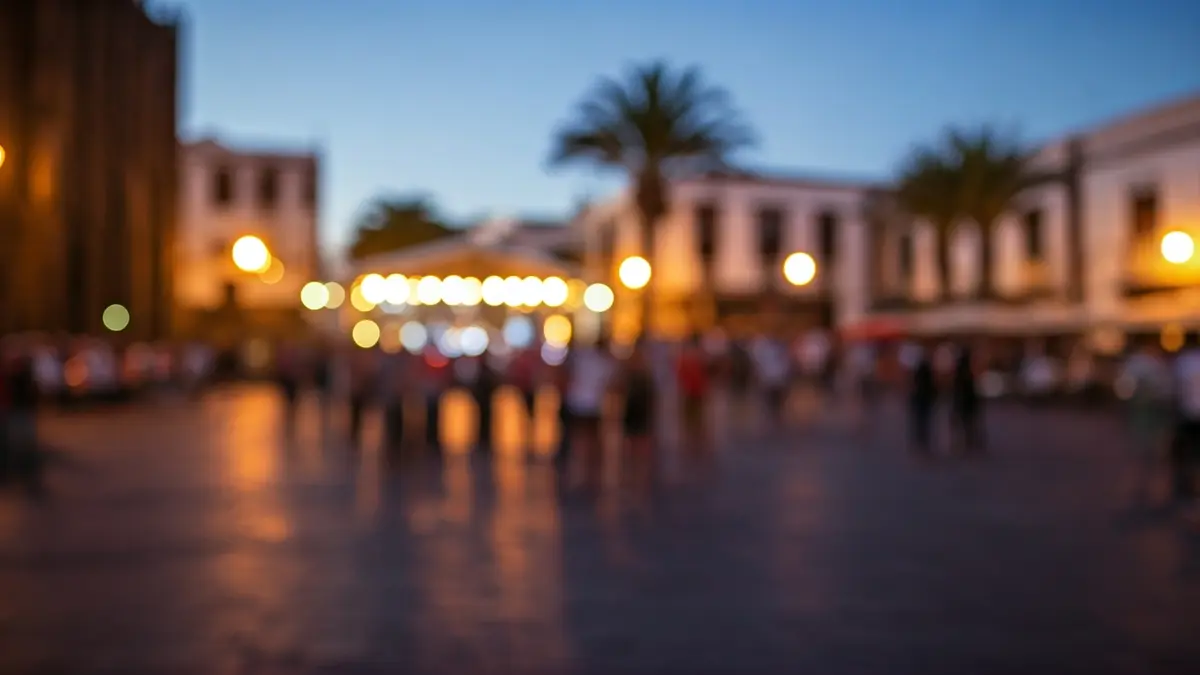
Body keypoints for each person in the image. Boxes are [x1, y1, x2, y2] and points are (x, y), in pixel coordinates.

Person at [1121, 343, 1171, 504]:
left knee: (1149, 452)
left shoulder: (1144, 365)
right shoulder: (1147, 366)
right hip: (1148, 417)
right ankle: (1147, 486)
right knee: (1147, 451)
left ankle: (1149, 487)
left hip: (1151, 417)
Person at [563, 337, 615, 488]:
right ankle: (589, 475)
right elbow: (610, 386)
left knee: (579, 440)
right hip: (592, 406)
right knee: (592, 441)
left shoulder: (582, 359)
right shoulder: (605, 363)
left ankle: (578, 474)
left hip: (577, 404)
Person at [1169, 332, 1200, 507]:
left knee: (1186, 451)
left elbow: (1175, 389)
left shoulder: (1182, 362)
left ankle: (1189, 484)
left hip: (1187, 413)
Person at [621, 341, 657, 489]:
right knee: (632, 445)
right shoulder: (629, 373)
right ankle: (635, 475)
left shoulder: (645, 375)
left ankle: (641, 477)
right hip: (632, 413)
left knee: (641, 446)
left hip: (641, 414)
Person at [676, 337, 710, 448]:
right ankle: (691, 437)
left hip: (697, 391)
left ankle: (697, 436)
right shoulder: (687, 359)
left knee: (698, 415)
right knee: (689, 416)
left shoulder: (699, 359)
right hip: (689, 391)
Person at [950, 345, 983, 454]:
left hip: (963, 401)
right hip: (968, 402)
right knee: (969, 423)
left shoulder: (962, 373)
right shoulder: (969, 373)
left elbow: (958, 389)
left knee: (964, 423)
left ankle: (965, 443)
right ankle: (969, 442)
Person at [908, 345, 937, 455]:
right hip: (924, 399)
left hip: (921, 399)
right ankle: (922, 443)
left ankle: (920, 444)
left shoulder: (920, 368)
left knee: (920, 422)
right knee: (923, 422)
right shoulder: (926, 368)